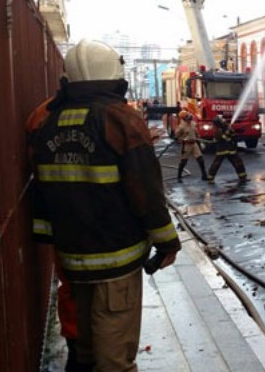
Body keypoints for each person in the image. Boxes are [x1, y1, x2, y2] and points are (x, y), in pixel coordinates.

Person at [26, 38, 181, 371]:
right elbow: (146, 191)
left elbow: (42, 191)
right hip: (115, 264)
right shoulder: (120, 120)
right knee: (114, 359)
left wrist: (50, 238)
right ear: (115, 74)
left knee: (84, 352)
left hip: (71, 260)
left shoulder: (47, 122)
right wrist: (168, 242)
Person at [207, 114, 248, 184]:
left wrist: (231, 131)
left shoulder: (226, 127)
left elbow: (233, 136)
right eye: (222, 119)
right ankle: (210, 178)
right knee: (216, 164)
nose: (224, 120)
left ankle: (243, 177)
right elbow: (222, 139)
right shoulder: (217, 130)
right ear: (219, 122)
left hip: (231, 149)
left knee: (238, 163)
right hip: (222, 150)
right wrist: (227, 132)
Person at [174, 110, 208, 182]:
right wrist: (181, 140)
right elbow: (176, 136)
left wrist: (200, 141)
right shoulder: (181, 127)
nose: (189, 116)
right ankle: (179, 177)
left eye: (188, 115)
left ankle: (204, 175)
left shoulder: (193, 124)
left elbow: (196, 133)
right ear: (183, 118)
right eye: (186, 116)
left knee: (200, 159)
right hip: (186, 145)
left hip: (194, 144)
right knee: (183, 161)